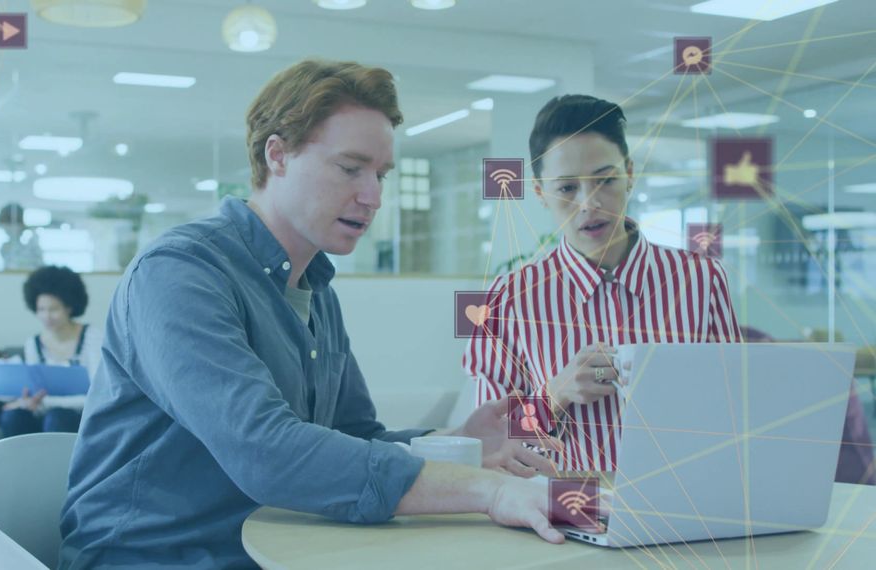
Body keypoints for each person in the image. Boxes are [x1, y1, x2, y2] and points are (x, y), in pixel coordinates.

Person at [60, 60, 573, 568]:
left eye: (380, 174)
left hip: (267, 545)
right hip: (151, 555)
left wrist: (450, 447)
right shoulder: (179, 273)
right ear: (277, 155)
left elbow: (354, 438)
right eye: (350, 168)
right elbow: (268, 452)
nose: (372, 197)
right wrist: (486, 491)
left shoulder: (314, 286)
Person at [463, 94, 742, 473]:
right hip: (564, 515)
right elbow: (489, 447)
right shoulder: (507, 298)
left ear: (629, 174)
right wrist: (555, 394)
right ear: (541, 193)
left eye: (605, 180)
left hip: (684, 507)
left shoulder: (701, 280)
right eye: (566, 188)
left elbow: (735, 414)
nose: (589, 204)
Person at [0, 265, 101, 436]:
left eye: (53, 309)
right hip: (43, 413)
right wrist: (25, 401)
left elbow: (96, 395)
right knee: (12, 416)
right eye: (41, 309)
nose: (46, 316)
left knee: (57, 417)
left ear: (69, 308)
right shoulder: (33, 343)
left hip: (79, 414)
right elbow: (35, 390)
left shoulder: (92, 337)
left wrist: (45, 402)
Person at [0, 202, 43, 271]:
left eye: (8, 224)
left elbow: (38, 263)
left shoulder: (32, 242)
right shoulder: (5, 247)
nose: (6, 229)